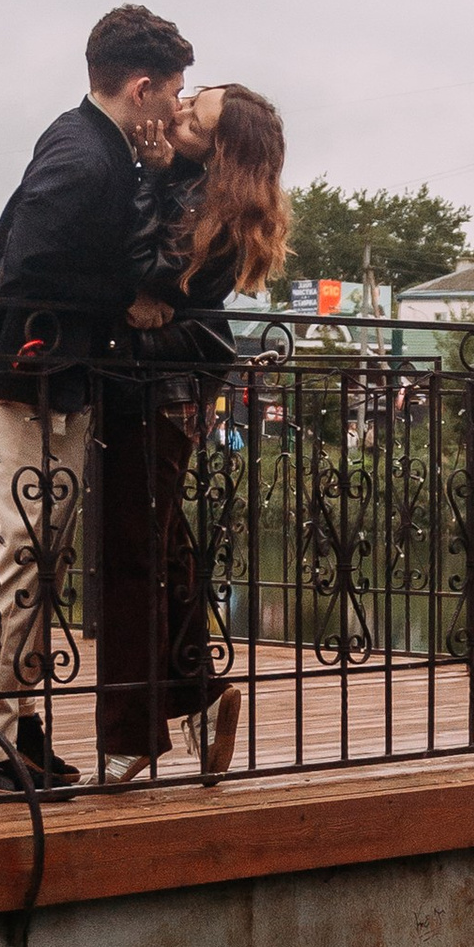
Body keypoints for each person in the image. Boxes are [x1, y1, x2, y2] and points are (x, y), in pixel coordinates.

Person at [0, 1, 192, 797]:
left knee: (36, 550)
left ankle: (10, 726)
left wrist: (154, 179)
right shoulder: (84, 155)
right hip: (34, 379)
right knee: (22, 548)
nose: (178, 104)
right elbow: (25, 267)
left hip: (48, 376)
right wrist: (123, 299)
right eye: (174, 89)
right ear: (141, 85)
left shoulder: (94, 145)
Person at [96, 82, 289, 791]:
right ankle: (200, 694)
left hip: (158, 398)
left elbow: (146, 272)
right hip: (163, 394)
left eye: (195, 115)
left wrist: (145, 174)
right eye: (189, 99)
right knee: (161, 546)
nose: (178, 112)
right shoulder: (187, 186)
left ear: (222, 152)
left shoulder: (212, 210)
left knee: (129, 559)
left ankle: (130, 734)